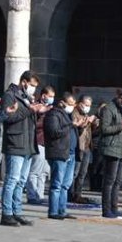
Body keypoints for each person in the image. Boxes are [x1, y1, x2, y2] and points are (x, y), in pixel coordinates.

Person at [0, 71, 42, 226]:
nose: (33, 89)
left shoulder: (26, 97)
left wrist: (37, 111)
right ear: (23, 82)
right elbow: (8, 118)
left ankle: (17, 211)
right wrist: (29, 110)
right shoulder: (10, 95)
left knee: (21, 181)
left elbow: (27, 119)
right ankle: (6, 213)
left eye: (35, 87)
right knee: (12, 179)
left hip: (28, 144)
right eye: (31, 85)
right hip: (15, 142)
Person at [96, 89, 122, 219]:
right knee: (109, 180)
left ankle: (114, 208)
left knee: (118, 181)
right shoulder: (108, 109)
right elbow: (104, 129)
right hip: (111, 148)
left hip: (121, 149)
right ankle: (106, 209)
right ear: (120, 98)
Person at [43, 92, 79, 221]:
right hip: (59, 153)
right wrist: (71, 125)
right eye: (70, 104)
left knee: (65, 185)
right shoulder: (53, 114)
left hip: (70, 153)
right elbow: (54, 132)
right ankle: (53, 211)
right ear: (62, 103)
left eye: (74, 105)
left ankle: (62, 210)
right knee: (57, 184)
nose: (72, 107)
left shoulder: (67, 115)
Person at [26, 85, 55, 204]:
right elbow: (34, 124)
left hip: (47, 142)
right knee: (35, 170)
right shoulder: (36, 106)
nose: (52, 98)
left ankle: (40, 194)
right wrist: (41, 113)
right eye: (50, 96)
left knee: (44, 171)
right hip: (38, 140)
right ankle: (32, 195)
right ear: (43, 95)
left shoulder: (50, 108)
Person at [69, 95, 97, 204]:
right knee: (74, 172)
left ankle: (78, 194)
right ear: (80, 103)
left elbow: (90, 132)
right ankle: (70, 194)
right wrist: (83, 125)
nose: (87, 107)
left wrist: (93, 124)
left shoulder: (86, 114)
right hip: (78, 147)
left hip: (87, 147)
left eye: (89, 105)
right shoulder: (74, 113)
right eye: (86, 105)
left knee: (83, 173)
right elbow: (75, 129)